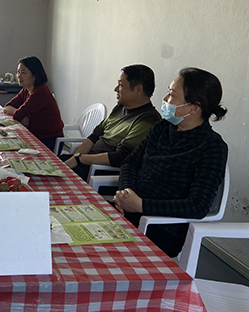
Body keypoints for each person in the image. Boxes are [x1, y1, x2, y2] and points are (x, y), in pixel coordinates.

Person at [113, 67, 228, 257]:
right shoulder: (162, 128)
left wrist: (142, 205)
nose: (165, 99)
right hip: (130, 210)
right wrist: (126, 193)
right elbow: (130, 162)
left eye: (172, 95)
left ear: (194, 108)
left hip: (163, 228)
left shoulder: (212, 147)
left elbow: (197, 206)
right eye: (168, 92)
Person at [60, 64, 161, 182]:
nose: (116, 89)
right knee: (53, 163)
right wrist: (75, 157)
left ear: (138, 89)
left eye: (121, 85)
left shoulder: (148, 120)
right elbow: (95, 135)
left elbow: (121, 156)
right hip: (88, 161)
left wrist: (80, 159)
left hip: (100, 171)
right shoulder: (120, 108)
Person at [3, 56, 64, 151]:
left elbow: (18, 115)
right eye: (18, 72)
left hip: (48, 140)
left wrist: (21, 114)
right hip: (34, 134)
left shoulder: (41, 91)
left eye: (23, 72)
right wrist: (23, 116)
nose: (19, 76)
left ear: (35, 75)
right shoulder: (26, 89)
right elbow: (7, 106)